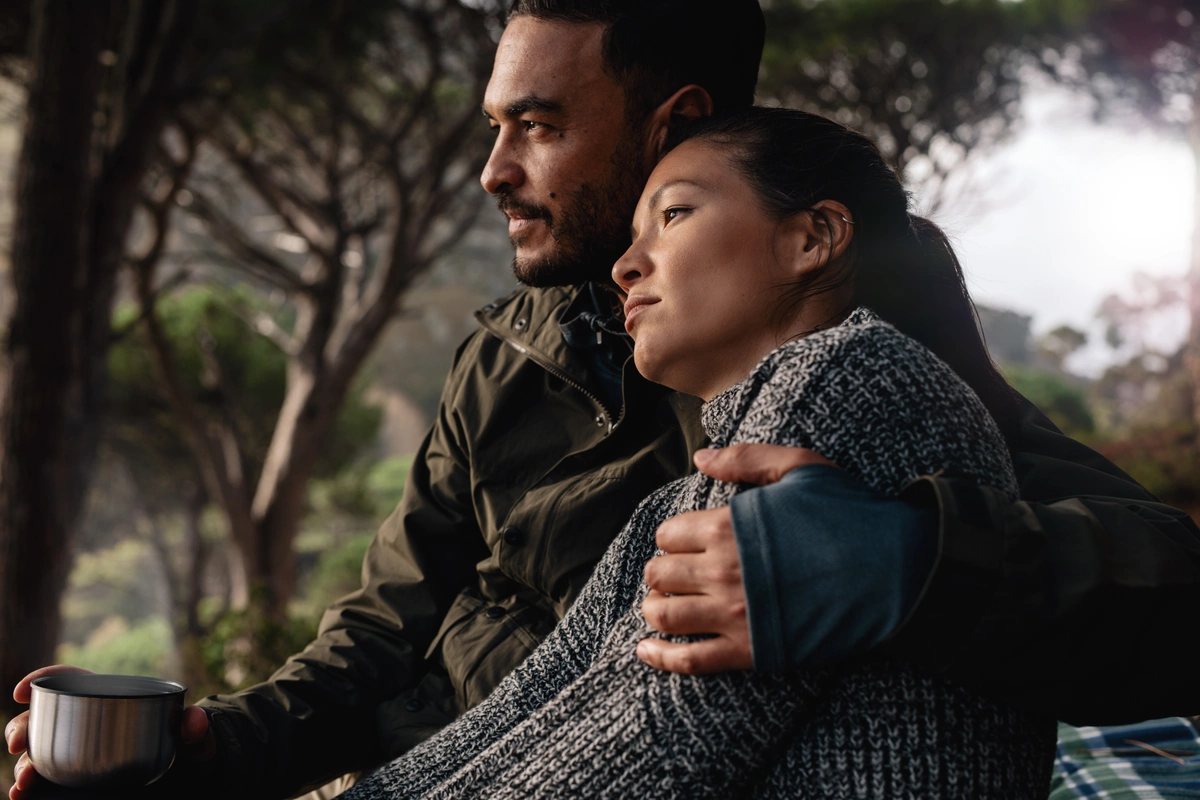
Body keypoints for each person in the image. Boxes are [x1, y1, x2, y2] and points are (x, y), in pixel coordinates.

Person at [5, 1, 1200, 798]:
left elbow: (1170, 586)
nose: (493, 171)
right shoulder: (510, 352)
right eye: (493, 127)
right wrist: (216, 745)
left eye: (537, 125)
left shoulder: (845, 361)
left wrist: (917, 560)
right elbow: (388, 627)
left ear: (673, 119)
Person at [338, 106, 1058, 800]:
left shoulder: (846, 378)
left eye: (673, 215)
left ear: (812, 238)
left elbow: (649, 744)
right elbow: (520, 717)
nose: (625, 264)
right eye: (632, 233)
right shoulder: (686, 494)